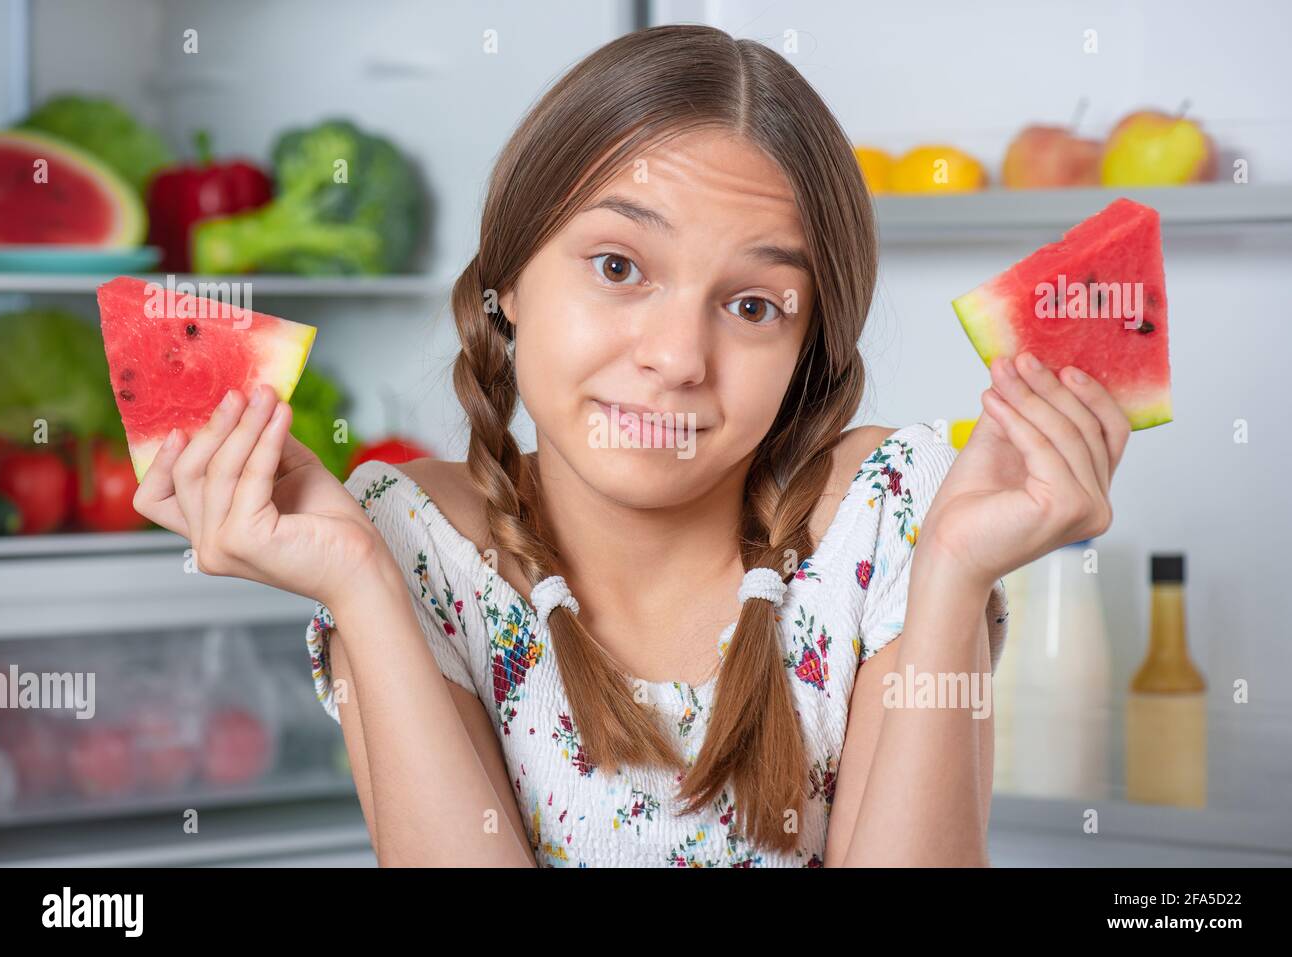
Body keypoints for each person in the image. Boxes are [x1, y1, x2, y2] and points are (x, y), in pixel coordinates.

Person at [133, 24, 1128, 867]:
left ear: (807, 351)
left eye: (751, 304)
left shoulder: (891, 515)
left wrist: (952, 574)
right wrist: (354, 582)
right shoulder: (411, 545)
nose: (675, 357)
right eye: (618, 266)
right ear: (509, 280)